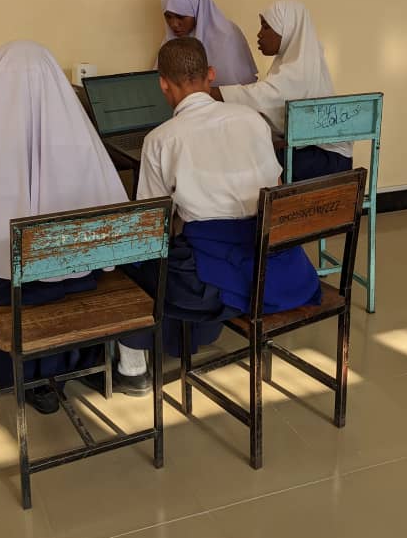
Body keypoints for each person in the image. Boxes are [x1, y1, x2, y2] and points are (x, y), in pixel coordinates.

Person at [0, 40, 147, 413]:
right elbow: (114, 212)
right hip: (77, 279)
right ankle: (90, 364)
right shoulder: (84, 140)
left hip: (11, 289)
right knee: (9, 265)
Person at [117, 37, 320, 363]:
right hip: (280, 268)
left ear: (163, 85)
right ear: (210, 74)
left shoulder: (160, 140)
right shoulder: (253, 120)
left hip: (207, 287)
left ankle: (135, 363)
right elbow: (277, 188)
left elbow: (154, 227)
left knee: (131, 263)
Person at [214, 0, 353, 180]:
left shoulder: (298, 70)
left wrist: (210, 92)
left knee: (250, 161)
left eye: (266, 27)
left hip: (325, 158)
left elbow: (261, 98)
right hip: (318, 152)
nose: (259, 34)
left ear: (287, 30)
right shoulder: (300, 61)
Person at [160, 0, 257, 86]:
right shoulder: (171, 41)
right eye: (168, 17)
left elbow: (241, 91)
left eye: (180, 17)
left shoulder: (227, 36)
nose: (174, 24)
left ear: (198, 11)